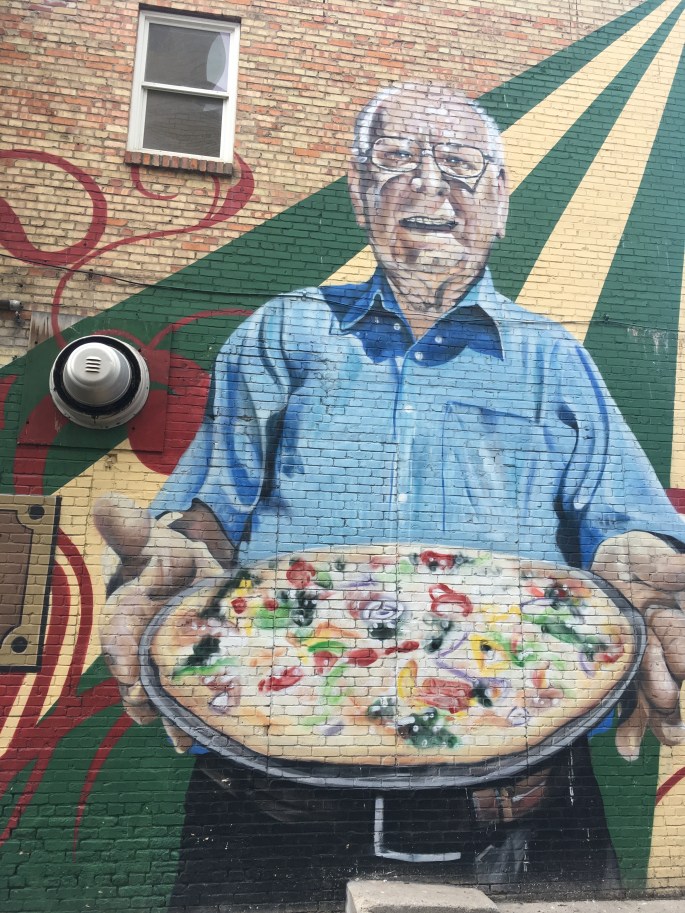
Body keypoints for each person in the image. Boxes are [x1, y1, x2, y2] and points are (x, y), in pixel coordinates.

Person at [95, 83, 685, 902]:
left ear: (500, 201)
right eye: (396, 159)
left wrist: (646, 576)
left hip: (517, 832)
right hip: (268, 825)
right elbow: (207, 519)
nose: (428, 182)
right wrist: (175, 563)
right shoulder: (282, 332)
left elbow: (624, 534)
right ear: (358, 191)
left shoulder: (555, 359)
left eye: (460, 164)